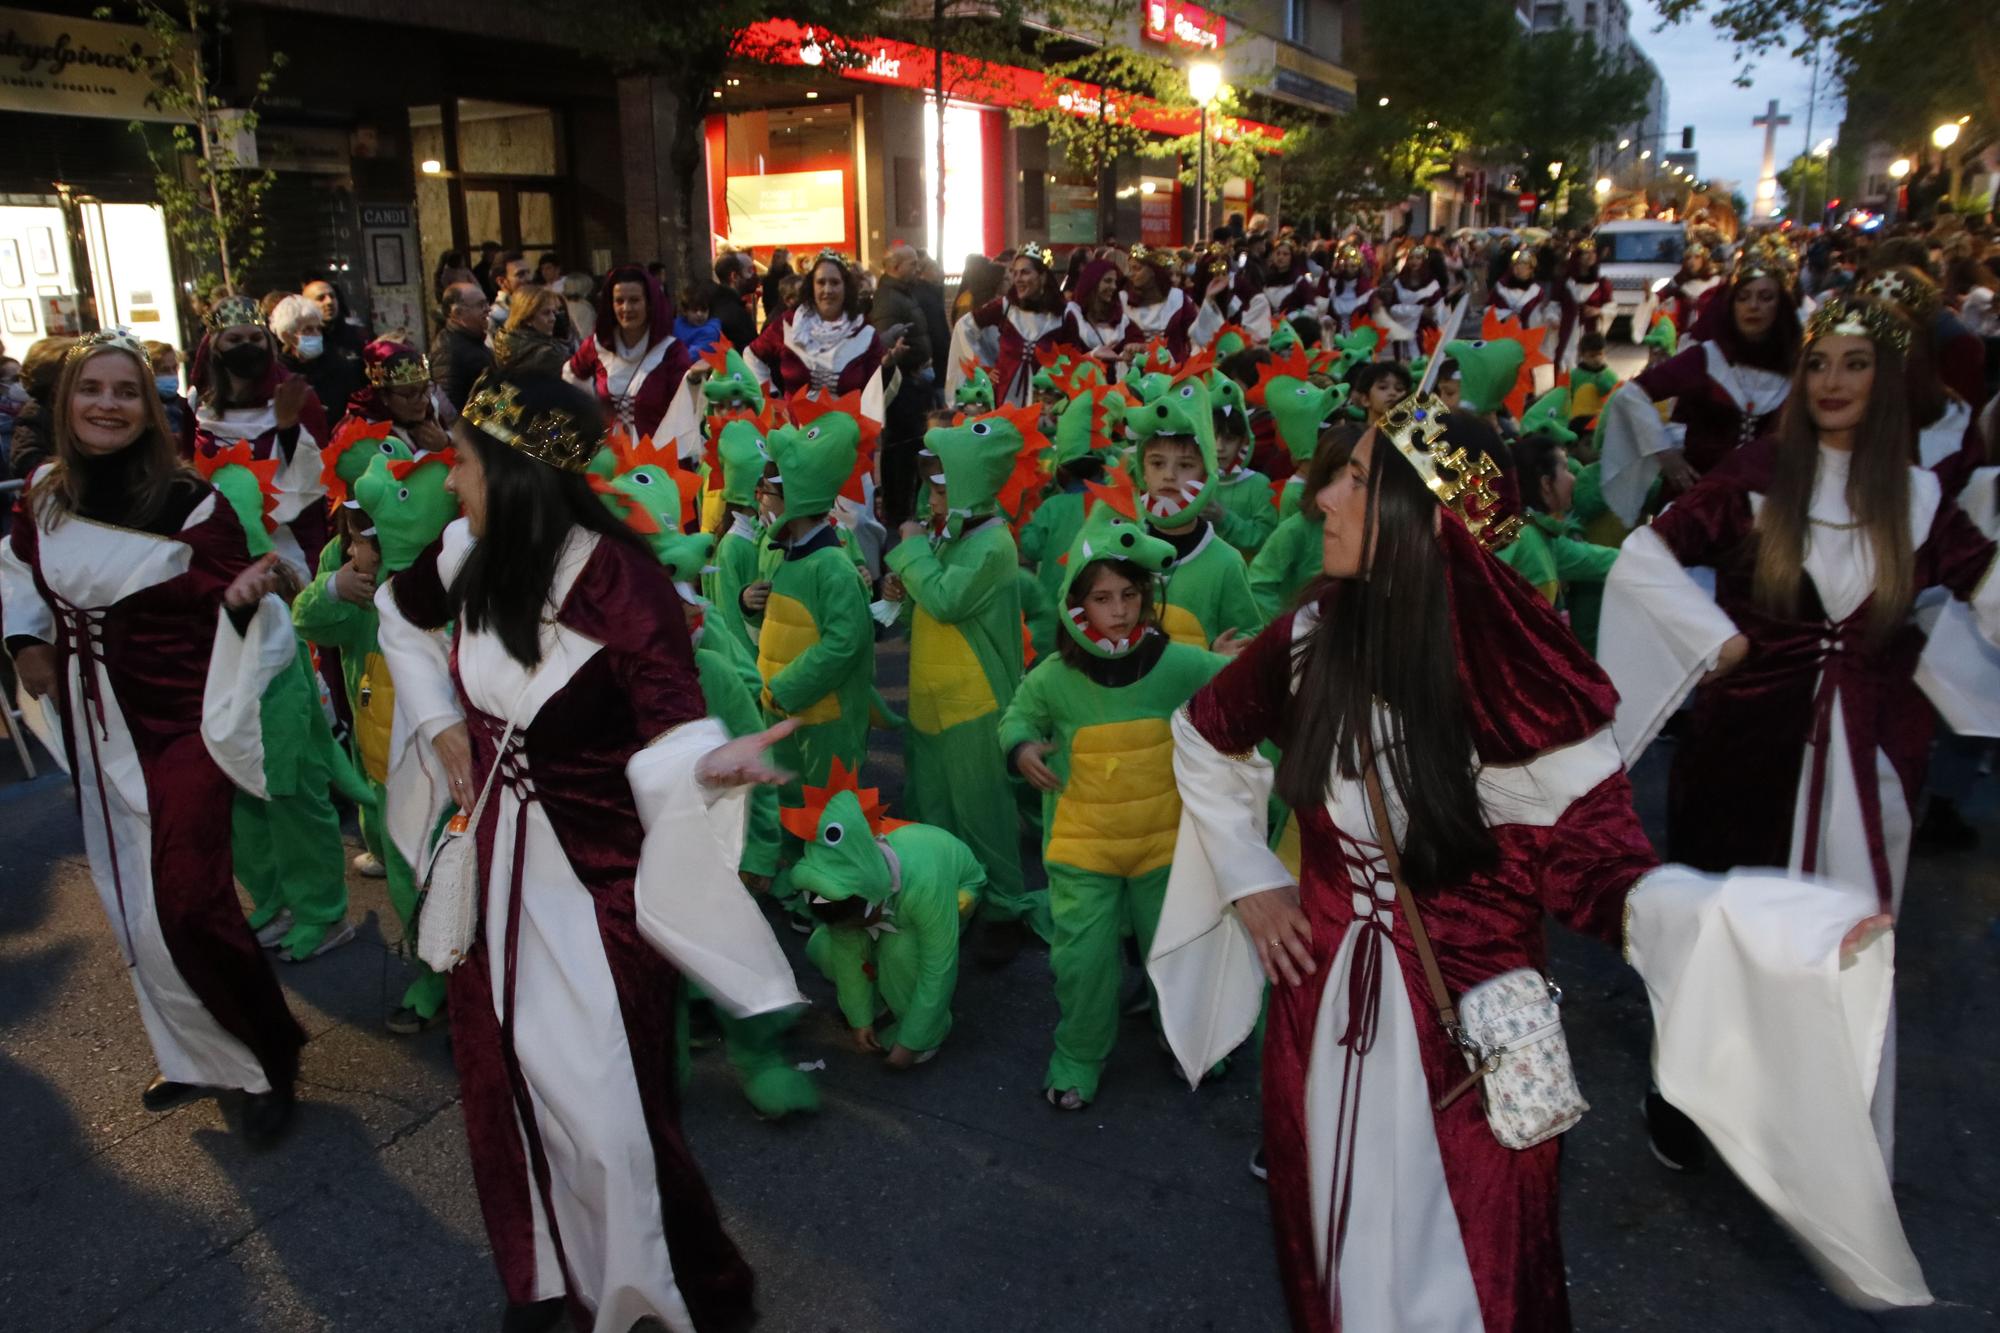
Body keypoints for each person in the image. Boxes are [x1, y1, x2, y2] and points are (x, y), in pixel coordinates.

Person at [1148, 381, 1929, 1331]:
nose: (1323, 499)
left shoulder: (1526, 696)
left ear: (1426, 521)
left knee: (1472, 1283)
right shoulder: (1313, 637)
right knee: (1325, 1252)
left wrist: (1764, 932)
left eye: (1356, 480)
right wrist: (1253, 879)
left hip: (1469, 1056)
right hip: (1319, 1025)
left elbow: (1605, 878)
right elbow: (1204, 731)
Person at [374, 371, 802, 1332]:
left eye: (466, 465)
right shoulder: (466, 553)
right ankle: (541, 1271)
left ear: (518, 475)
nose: (451, 485)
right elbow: (399, 616)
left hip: (598, 891)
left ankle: (665, 1292)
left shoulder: (620, 580)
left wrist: (713, 760)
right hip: (495, 873)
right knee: (502, 1084)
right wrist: (440, 718)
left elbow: (671, 724)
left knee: (611, 1114)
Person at [1596, 294, 2000, 1168]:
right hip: (1745, 753)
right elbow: (1648, 555)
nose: (1831, 380)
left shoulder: (1921, 500)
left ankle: (1815, 1116)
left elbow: (1988, 584)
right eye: (1818, 363)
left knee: (1841, 943)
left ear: (1888, 380)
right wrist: (1714, 640)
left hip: (1869, 764)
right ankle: (1689, 1093)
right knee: (1726, 928)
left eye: (1854, 363)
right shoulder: (1755, 474)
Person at [2, 331, 305, 1144]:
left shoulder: (189, 505)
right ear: (66, 404)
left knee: (188, 902)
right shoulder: (43, 494)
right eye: (90, 389)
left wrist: (250, 596)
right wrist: (27, 640)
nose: (107, 403)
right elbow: (19, 568)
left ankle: (269, 1056)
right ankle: (196, 1053)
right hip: (93, 725)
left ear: (151, 406)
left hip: (177, 732)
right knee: (131, 905)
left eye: (126, 391)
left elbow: (242, 606)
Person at [1001, 497, 1225, 1108]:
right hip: (1083, 854)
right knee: (1082, 966)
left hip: (1162, 849)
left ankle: (1186, 1041)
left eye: (1129, 595)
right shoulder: (1053, 675)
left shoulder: (1175, 662)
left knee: (1174, 954)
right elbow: (1017, 716)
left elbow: (1227, 684)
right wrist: (1021, 748)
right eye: (1102, 599)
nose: (1118, 612)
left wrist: (1238, 664)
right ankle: (1077, 1056)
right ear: (1076, 605)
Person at [883, 407, 1047, 964]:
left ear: (969, 486)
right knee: (933, 805)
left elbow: (949, 600)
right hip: (932, 699)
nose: (930, 493)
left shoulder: (993, 545)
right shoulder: (953, 534)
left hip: (975, 705)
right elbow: (927, 611)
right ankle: (949, 897)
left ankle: (1004, 905)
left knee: (983, 813)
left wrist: (907, 552)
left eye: (939, 484)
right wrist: (900, 589)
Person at [1598, 237, 1804, 525]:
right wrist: (1663, 452)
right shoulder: (1706, 358)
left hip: (1762, 510)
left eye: (1765, 297)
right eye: (1743, 297)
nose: (1753, 306)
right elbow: (1631, 394)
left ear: (1780, 306)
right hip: (1695, 504)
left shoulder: (1798, 366)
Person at [796, 763, 986, 1069]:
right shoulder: (845, 887)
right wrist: (860, 1019)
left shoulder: (925, 885)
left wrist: (912, 1041)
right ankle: (879, 1003)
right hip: (889, 902)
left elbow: (939, 966)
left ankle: (930, 1032)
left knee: (899, 954)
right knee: (825, 948)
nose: (854, 929)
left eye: (859, 922)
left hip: (953, 893)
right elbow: (847, 955)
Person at [191, 295, 330, 578]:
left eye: (256, 338)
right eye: (235, 339)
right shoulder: (196, 404)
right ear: (216, 347)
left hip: (286, 548)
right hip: (217, 548)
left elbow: (317, 481)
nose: (247, 347)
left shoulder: (295, 395)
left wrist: (288, 428)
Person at [1129, 378, 1259, 654]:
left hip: (1196, 695)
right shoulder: (1122, 546)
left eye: (1186, 465)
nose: (1169, 475)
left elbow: (1247, 633)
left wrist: (1221, 654)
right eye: (1157, 463)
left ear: (1206, 473)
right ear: (1142, 470)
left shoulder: (1226, 562)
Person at [564, 265, 698, 453]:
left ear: (649, 303)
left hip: (656, 460)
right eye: (619, 301)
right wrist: (591, 413)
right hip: (610, 458)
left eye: (634, 300)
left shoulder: (671, 351)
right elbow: (571, 375)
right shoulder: (598, 346)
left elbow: (687, 408)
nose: (626, 308)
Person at [746, 250, 889, 413]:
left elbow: (874, 396)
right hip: (796, 432)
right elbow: (752, 355)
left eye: (835, 283)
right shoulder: (790, 324)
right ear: (812, 286)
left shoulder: (864, 332)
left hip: (846, 432)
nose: (827, 290)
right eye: (821, 282)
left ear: (846, 287)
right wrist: (771, 399)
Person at [872, 244, 939, 527]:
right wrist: (912, 364)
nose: (918, 268)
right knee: (900, 455)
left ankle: (904, 511)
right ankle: (899, 515)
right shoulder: (889, 300)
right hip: (902, 388)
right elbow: (887, 346)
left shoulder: (901, 294)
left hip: (912, 383)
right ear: (896, 267)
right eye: (912, 264)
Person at [971, 244, 1069, 406]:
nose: (1017, 279)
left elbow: (1074, 359)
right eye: (1014, 273)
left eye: (1025, 272)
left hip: (1046, 407)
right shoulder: (1005, 307)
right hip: (1005, 404)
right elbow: (965, 327)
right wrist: (982, 367)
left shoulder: (1063, 315)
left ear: (1042, 277)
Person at [272, 292, 364, 421]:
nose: (316, 334)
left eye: (318, 328)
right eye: (308, 330)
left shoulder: (337, 364)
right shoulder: (279, 373)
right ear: (288, 336)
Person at [432, 281, 495, 414]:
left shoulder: (472, 340)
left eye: (487, 303)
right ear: (457, 313)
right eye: (481, 305)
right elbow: (449, 408)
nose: (488, 309)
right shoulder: (448, 351)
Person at [496, 285, 572, 380]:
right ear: (527, 318)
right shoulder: (546, 354)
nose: (553, 318)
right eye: (546, 313)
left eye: (554, 312)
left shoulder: (507, 339)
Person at [712, 250, 761, 350]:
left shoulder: (718, 302)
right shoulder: (734, 313)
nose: (754, 276)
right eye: (749, 271)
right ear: (734, 276)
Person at [673, 279, 724, 355]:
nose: (699, 314)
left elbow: (691, 357)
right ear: (685, 311)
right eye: (694, 310)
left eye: (704, 309)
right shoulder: (676, 323)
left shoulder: (710, 331)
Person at [487, 252, 533, 335]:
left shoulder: (536, 307)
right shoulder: (495, 316)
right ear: (501, 281)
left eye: (528, 273)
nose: (529, 278)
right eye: (520, 274)